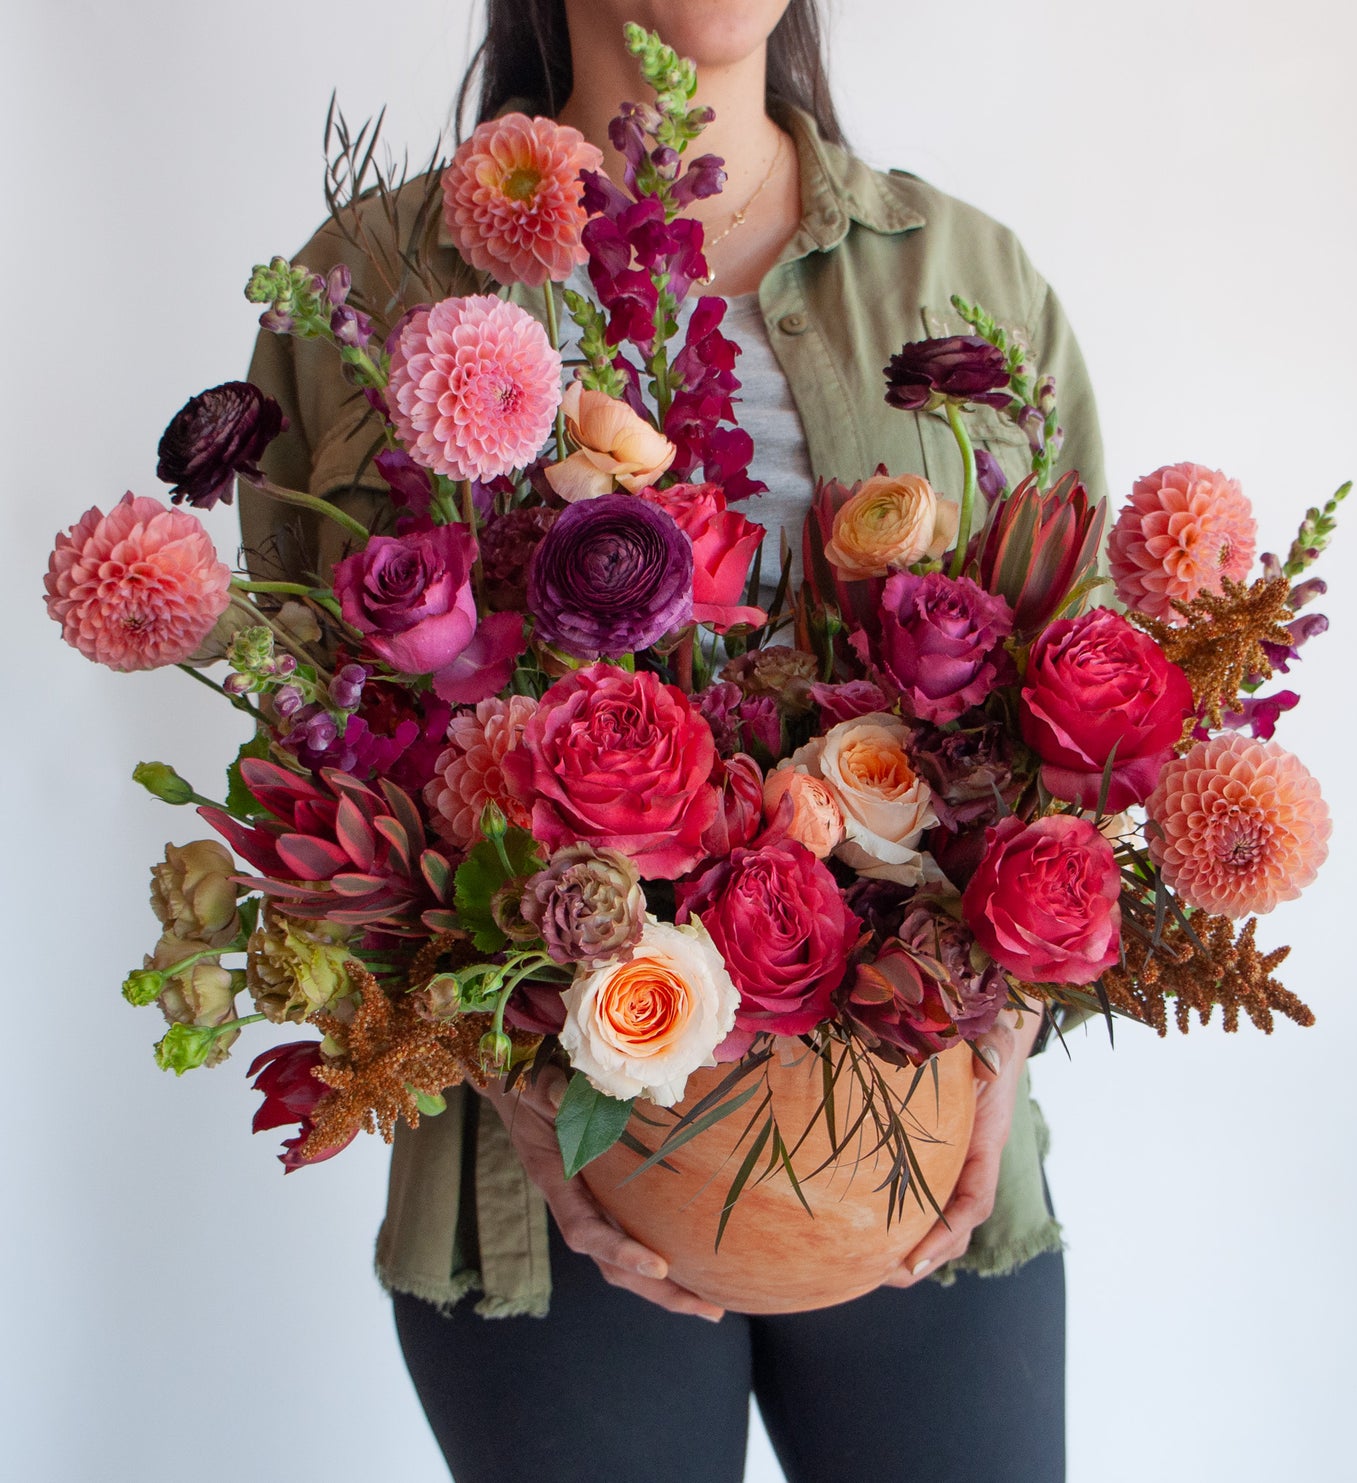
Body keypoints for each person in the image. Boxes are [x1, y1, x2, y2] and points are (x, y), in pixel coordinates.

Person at [238, 3, 1107, 1478]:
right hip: (545, 1211)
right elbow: (309, 735)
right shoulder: (374, 285)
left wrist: (1002, 1038)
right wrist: (523, 1086)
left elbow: (1083, 711)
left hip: (926, 1163)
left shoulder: (962, 273)